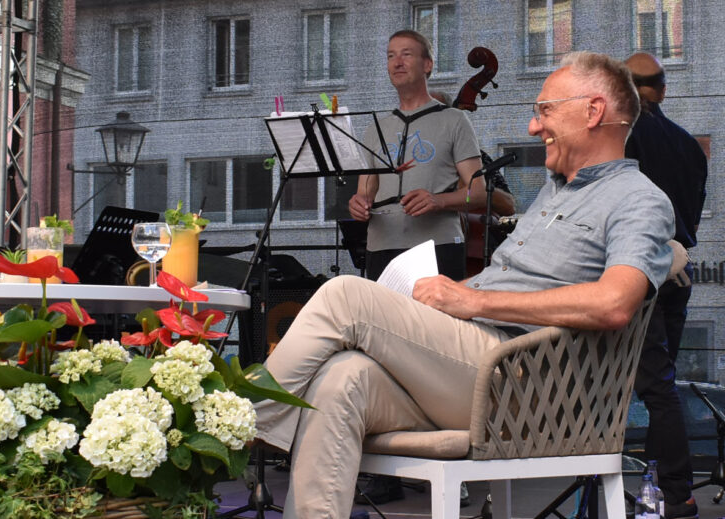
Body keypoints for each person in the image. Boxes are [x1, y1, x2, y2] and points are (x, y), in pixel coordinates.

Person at [254, 51, 675, 519]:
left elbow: (615, 303)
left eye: (544, 110)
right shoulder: (554, 191)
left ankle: (238, 424)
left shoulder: (639, 200)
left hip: (523, 382)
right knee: (343, 376)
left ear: (593, 111)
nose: (533, 127)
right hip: (472, 370)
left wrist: (472, 300)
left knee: (344, 295)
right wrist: (439, 300)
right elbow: (506, 285)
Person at [624, 51, 708, 519]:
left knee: (651, 387)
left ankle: (673, 493)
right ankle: (660, 489)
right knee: (663, 387)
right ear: (663, 89)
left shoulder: (625, 136)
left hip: (640, 270)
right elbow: (691, 214)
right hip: (679, 270)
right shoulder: (689, 145)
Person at [348, 30, 488, 282]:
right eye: (391, 56)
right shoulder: (375, 129)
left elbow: (477, 193)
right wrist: (357, 204)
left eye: (406, 54)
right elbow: (365, 193)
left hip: (438, 247)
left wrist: (439, 200)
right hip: (380, 248)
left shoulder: (454, 120)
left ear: (427, 65)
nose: (397, 62)